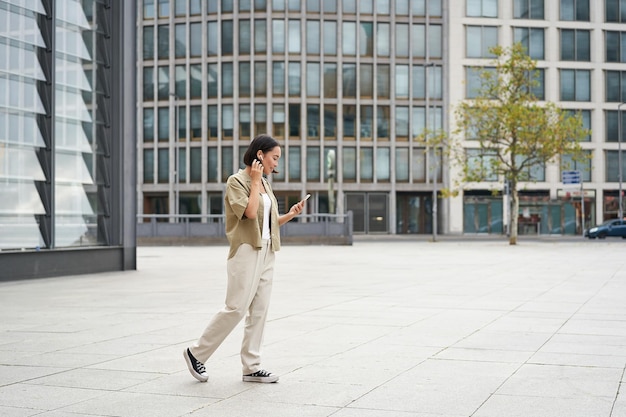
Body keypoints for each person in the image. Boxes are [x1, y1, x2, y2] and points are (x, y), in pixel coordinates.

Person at [183, 134, 307, 384]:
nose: (277, 164)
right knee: (236, 307)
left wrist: (290, 215)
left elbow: (268, 221)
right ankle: (196, 353)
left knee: (259, 311)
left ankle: (252, 366)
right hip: (245, 251)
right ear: (260, 155)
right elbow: (250, 213)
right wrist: (254, 181)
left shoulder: (265, 184)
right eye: (275, 158)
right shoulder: (237, 181)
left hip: (267, 250)